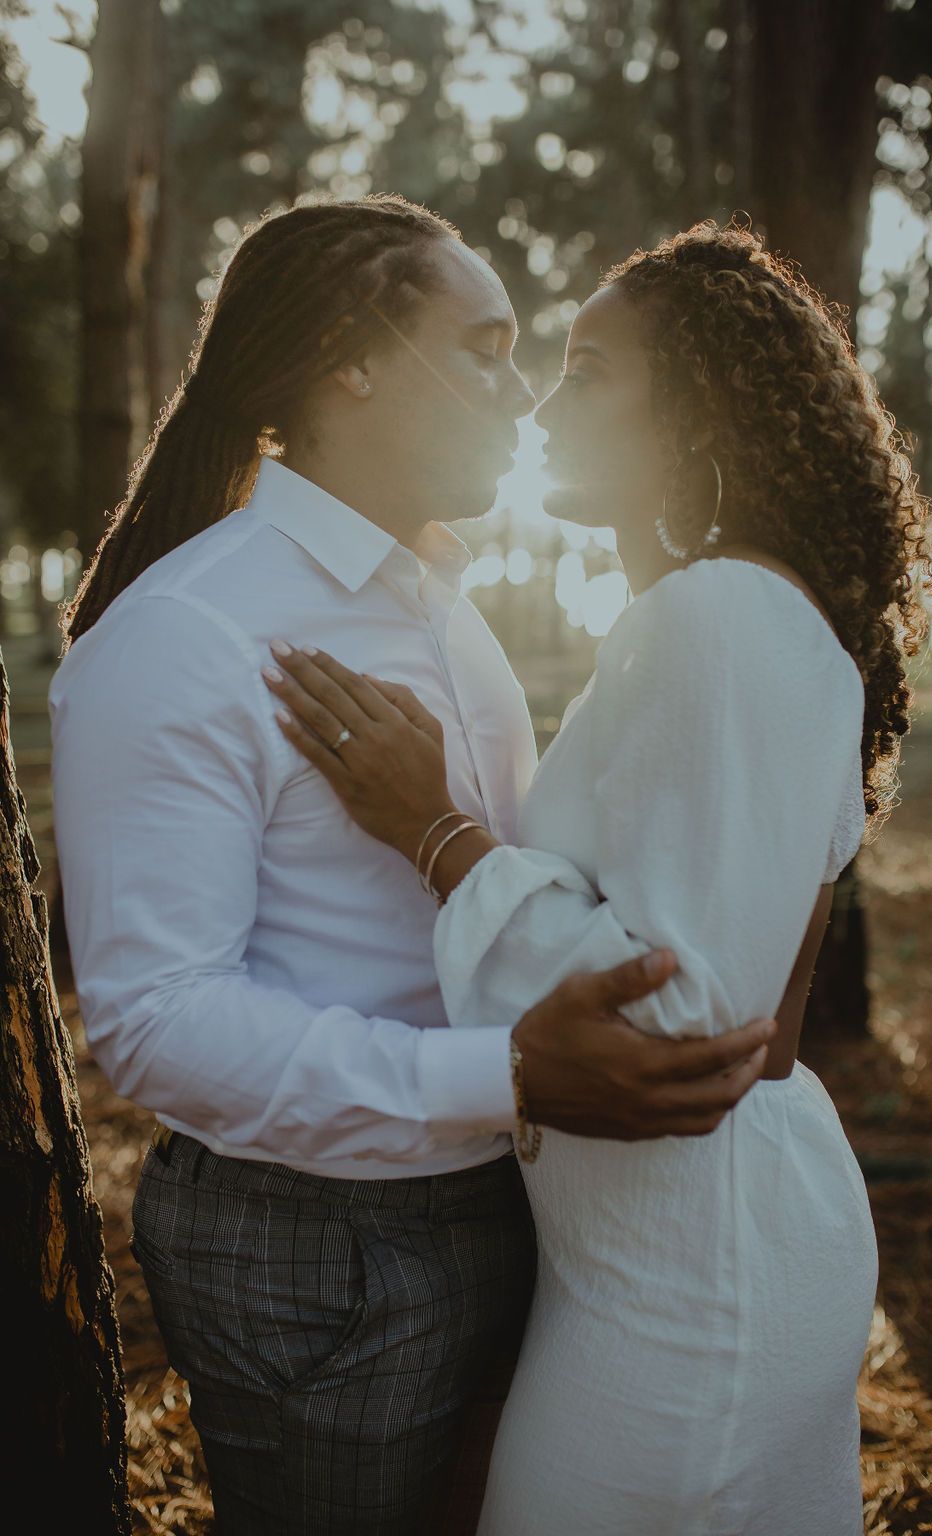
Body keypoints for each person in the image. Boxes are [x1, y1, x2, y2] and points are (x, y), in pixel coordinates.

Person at [48, 196, 779, 1535]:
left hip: (511, 1196)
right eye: (488, 347)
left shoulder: (447, 610)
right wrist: (501, 1075)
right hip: (319, 1245)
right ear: (355, 353)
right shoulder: (188, 635)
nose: (527, 399)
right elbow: (155, 1023)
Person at [264, 220, 932, 1534]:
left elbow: (689, 1022)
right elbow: (776, 1026)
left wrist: (438, 834)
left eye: (587, 372)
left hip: (684, 1275)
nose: (541, 405)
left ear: (696, 405)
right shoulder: (760, 615)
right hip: (710, 1237)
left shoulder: (714, 615)